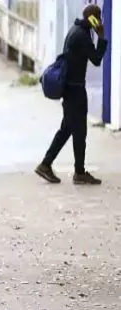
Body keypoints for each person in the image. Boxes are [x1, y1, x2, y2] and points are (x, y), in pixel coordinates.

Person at [35, 4, 107, 185]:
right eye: (98, 19)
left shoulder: (76, 30)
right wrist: (102, 37)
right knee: (79, 131)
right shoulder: (82, 36)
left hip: (72, 89)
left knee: (68, 129)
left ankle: (48, 165)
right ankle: (77, 172)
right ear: (93, 19)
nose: (100, 22)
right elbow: (97, 59)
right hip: (74, 90)